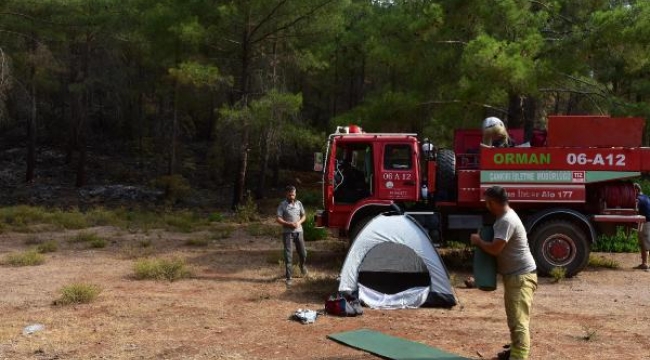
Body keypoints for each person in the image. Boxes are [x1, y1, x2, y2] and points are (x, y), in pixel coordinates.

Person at [470, 186, 537, 360]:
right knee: (514, 319)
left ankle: (519, 357)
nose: (486, 205)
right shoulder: (505, 218)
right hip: (516, 276)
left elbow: (495, 249)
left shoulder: (506, 220)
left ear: (492, 202)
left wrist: (478, 241)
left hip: (521, 277)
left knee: (519, 322)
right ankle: (514, 352)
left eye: (486, 202)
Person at [276, 185, 308, 286]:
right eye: (290, 195)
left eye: (293, 195)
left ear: (295, 194)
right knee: (288, 255)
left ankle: (302, 266)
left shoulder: (299, 204)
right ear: (286, 194)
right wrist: (289, 224)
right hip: (287, 233)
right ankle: (289, 277)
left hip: (299, 231)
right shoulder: (282, 205)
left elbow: (304, 216)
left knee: (303, 253)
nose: (292, 197)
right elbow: (278, 218)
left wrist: (299, 222)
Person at [634, 183, 650, 270]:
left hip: (647, 222)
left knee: (646, 243)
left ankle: (646, 264)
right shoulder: (646, 197)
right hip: (643, 222)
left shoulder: (639, 199)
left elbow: (635, 211)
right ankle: (644, 263)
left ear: (636, 190)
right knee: (643, 243)